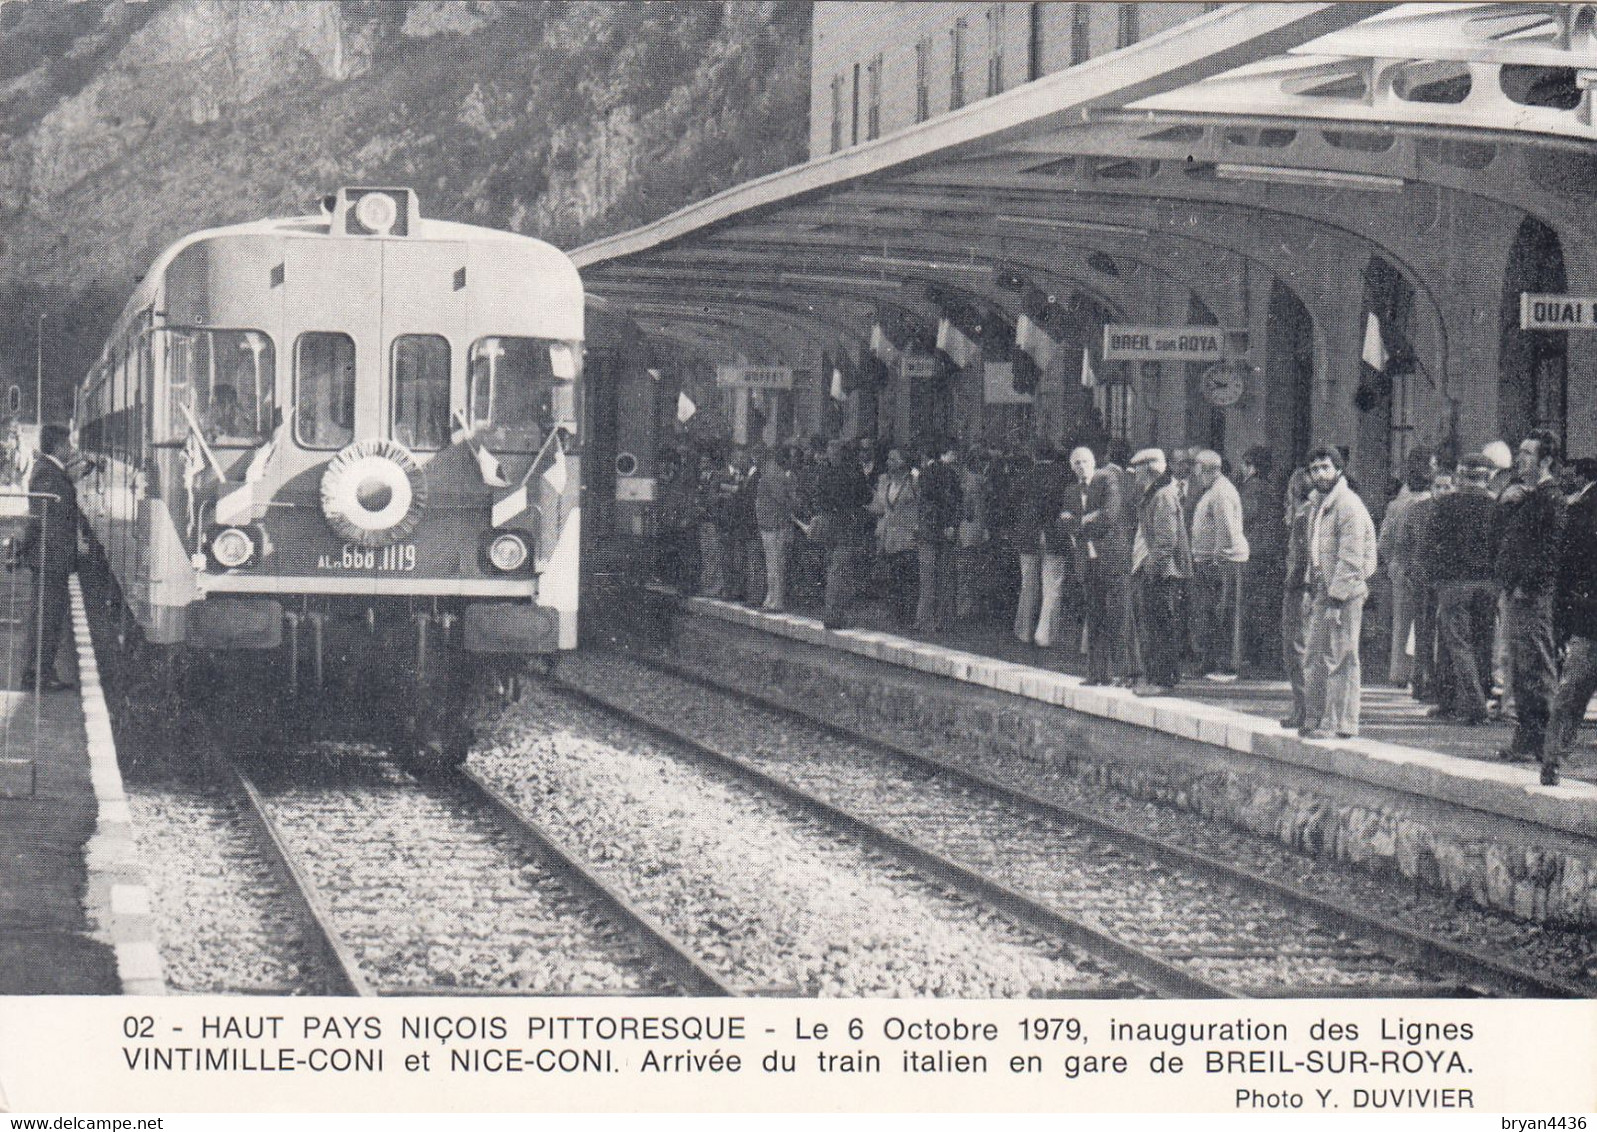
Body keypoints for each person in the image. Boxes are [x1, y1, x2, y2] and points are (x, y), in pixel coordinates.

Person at [1494, 429, 1568, 779]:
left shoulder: (1551, 498)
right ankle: (1526, 740)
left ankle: (1546, 745)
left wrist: (1528, 585)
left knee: (1537, 667)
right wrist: (1506, 500)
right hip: (1516, 591)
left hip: (1533, 595)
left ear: (1546, 460)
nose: (1520, 458)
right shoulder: (1527, 495)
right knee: (1521, 668)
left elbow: (1550, 550)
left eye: (1527, 453)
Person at [1300, 444, 1378, 740]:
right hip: (1322, 588)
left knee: (1341, 656)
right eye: (1314, 469)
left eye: (1325, 467)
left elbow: (1352, 557)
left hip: (1344, 593)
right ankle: (1316, 717)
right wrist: (1311, 586)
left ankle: (1339, 723)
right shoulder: (1318, 505)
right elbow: (1315, 551)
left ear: (1339, 469)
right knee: (1314, 655)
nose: (1319, 474)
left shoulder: (1348, 505)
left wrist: (1336, 598)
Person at [1426, 455, 1499, 724]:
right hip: (1488, 585)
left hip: (1453, 583)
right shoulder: (1497, 506)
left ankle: (1472, 705)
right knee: (1482, 643)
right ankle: (1460, 701)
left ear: (1460, 475)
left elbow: (1431, 544)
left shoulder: (1444, 505)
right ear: (1487, 477)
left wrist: (1434, 579)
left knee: (1455, 644)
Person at [1545, 457, 1597, 784]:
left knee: (1572, 692)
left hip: (1585, 618)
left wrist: (1562, 621)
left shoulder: (1580, 510)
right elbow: (1566, 570)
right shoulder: (1582, 511)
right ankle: (1553, 758)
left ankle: (1554, 757)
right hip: (1588, 618)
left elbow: (1564, 573)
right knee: (1573, 691)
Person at [17, 425, 81, 692]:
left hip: (52, 558)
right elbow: (39, 520)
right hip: (49, 559)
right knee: (46, 619)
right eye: (68, 444)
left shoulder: (51, 471)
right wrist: (22, 548)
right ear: (57, 446)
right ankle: (36, 676)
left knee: (49, 618)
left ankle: (41, 672)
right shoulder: (47, 474)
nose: (72, 449)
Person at [1061, 446, 1132, 685]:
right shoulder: (1071, 491)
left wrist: (1081, 523)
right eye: (1077, 462)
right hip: (1086, 560)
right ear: (1072, 467)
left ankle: (1121, 673)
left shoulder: (1107, 482)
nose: (1082, 466)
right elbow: (1066, 522)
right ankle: (1096, 673)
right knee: (1094, 617)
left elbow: (1110, 516)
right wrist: (1084, 521)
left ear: (1094, 463)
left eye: (1085, 461)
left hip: (1110, 559)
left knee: (1116, 617)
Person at [1129, 448, 1190, 693]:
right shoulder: (1156, 494)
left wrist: (1150, 568)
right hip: (1159, 570)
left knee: (1160, 625)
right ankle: (1158, 677)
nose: (1135, 475)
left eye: (1137, 470)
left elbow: (1166, 541)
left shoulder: (1162, 496)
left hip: (1164, 573)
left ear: (1148, 470)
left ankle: (1162, 680)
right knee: (1156, 624)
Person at [1188, 450, 1249, 681]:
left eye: (1197, 470)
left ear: (1207, 470)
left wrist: (1218, 560)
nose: (1196, 475)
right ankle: (1212, 661)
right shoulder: (1214, 490)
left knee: (1222, 614)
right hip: (1212, 562)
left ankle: (1225, 665)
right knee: (1211, 614)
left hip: (1222, 563)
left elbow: (1226, 532)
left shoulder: (1221, 492)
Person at [1377, 447, 1435, 687]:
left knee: (1402, 621)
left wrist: (1392, 564)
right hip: (1421, 567)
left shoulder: (1396, 506)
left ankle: (1400, 671)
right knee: (1423, 621)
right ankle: (1421, 672)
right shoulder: (1429, 503)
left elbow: (1384, 541)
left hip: (1401, 568)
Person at [817, 439, 871, 630]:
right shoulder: (852, 472)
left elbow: (818, 496)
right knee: (841, 569)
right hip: (846, 523)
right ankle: (834, 614)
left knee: (833, 566)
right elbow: (866, 495)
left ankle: (832, 611)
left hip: (828, 523)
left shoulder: (824, 472)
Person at [1239, 445, 1282, 674]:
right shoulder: (1269, 488)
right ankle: (1265, 656)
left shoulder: (1252, 488)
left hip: (1254, 552)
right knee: (1264, 605)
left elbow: (1246, 515)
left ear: (1251, 466)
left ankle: (1254, 656)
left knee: (1253, 605)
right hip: (1268, 553)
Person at [1279, 468, 1314, 729]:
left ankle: (1302, 709)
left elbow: (1301, 557)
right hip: (1306, 587)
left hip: (1298, 589)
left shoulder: (1303, 517)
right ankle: (1304, 708)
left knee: (1296, 649)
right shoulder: (1312, 513)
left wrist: (1291, 584)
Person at [867, 448, 920, 625]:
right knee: (891, 578)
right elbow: (879, 506)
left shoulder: (914, 481)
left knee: (907, 577)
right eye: (889, 459)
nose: (889, 462)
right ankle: (895, 615)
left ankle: (908, 615)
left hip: (908, 536)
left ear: (903, 462)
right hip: (887, 537)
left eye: (893, 459)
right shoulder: (884, 481)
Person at [916, 440, 961, 632]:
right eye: (953, 452)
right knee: (945, 576)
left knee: (927, 576)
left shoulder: (924, 474)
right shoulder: (950, 474)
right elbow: (955, 501)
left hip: (928, 528)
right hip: (945, 529)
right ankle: (944, 619)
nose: (955, 456)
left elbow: (925, 501)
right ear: (944, 453)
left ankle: (924, 619)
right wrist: (951, 524)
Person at [754, 446, 794, 611]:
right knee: (772, 564)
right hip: (769, 524)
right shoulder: (770, 473)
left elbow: (781, 499)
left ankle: (776, 601)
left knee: (775, 565)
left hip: (774, 525)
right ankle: (771, 599)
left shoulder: (772, 475)